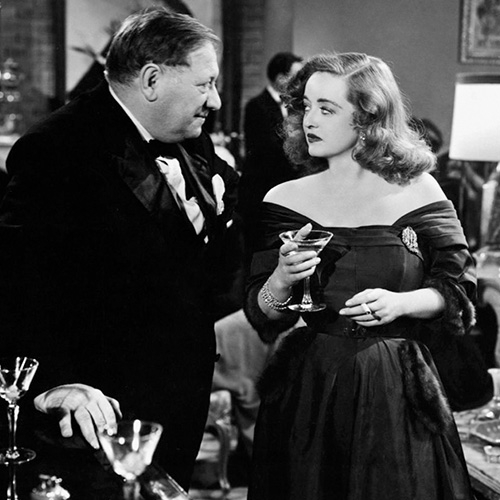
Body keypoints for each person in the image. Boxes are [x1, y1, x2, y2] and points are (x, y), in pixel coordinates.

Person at [0, 7, 239, 491]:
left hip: (179, 398)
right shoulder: (56, 149)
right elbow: (16, 282)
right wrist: (52, 384)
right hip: (97, 411)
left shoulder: (190, 136)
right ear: (151, 80)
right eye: (205, 84)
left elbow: (203, 255)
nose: (214, 100)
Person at [244, 52, 477, 499]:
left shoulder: (419, 191)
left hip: (394, 388)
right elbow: (262, 311)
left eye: (327, 109)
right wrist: (281, 280)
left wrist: (402, 303)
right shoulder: (284, 199)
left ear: (368, 117)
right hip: (310, 388)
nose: (309, 120)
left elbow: (458, 290)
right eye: (306, 106)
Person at [237, 51, 303, 269]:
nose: (300, 82)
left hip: (283, 190)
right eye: (296, 76)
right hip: (261, 192)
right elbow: (267, 149)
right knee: (258, 254)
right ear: (281, 78)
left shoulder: (295, 107)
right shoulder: (257, 106)